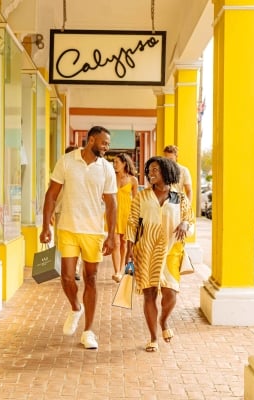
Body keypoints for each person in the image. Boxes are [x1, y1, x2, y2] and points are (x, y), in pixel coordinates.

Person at [39, 126, 117, 350]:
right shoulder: (66, 161)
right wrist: (46, 226)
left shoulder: (106, 168)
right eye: (104, 142)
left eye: (108, 144)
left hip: (93, 231)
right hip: (68, 228)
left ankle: (88, 332)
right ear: (91, 140)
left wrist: (111, 236)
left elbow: (112, 204)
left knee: (91, 279)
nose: (106, 147)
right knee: (66, 277)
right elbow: (51, 195)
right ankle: (75, 307)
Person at [125, 156, 194, 352]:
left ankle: (163, 320)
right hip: (146, 250)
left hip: (172, 251)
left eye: (155, 170)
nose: (150, 173)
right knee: (150, 294)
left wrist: (185, 223)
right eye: (149, 170)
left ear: (167, 171)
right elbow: (132, 222)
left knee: (170, 294)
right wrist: (129, 248)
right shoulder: (142, 196)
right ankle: (153, 337)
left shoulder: (178, 197)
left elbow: (190, 221)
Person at [53, 145, 82, 281]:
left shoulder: (81, 173)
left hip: (78, 213)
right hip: (61, 211)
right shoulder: (59, 170)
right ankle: (62, 269)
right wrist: (50, 213)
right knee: (60, 242)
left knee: (77, 241)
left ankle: (74, 270)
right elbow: (51, 195)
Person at [111, 153, 138, 283]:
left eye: (117, 162)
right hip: (113, 214)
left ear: (124, 163)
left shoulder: (133, 180)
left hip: (127, 214)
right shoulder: (111, 177)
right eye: (114, 162)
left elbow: (136, 200)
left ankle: (121, 270)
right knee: (115, 243)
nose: (114, 164)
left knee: (123, 244)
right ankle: (117, 271)